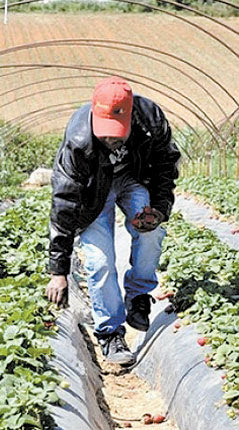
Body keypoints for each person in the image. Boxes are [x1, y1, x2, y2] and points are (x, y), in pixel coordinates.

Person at [46, 77, 180, 364]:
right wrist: (58, 270)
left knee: (151, 233)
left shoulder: (151, 121)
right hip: (94, 193)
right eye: (105, 132)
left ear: (131, 115)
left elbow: (165, 167)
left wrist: (158, 208)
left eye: (117, 132)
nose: (111, 138)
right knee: (100, 261)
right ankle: (110, 333)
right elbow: (64, 202)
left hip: (133, 178)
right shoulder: (79, 139)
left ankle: (139, 296)